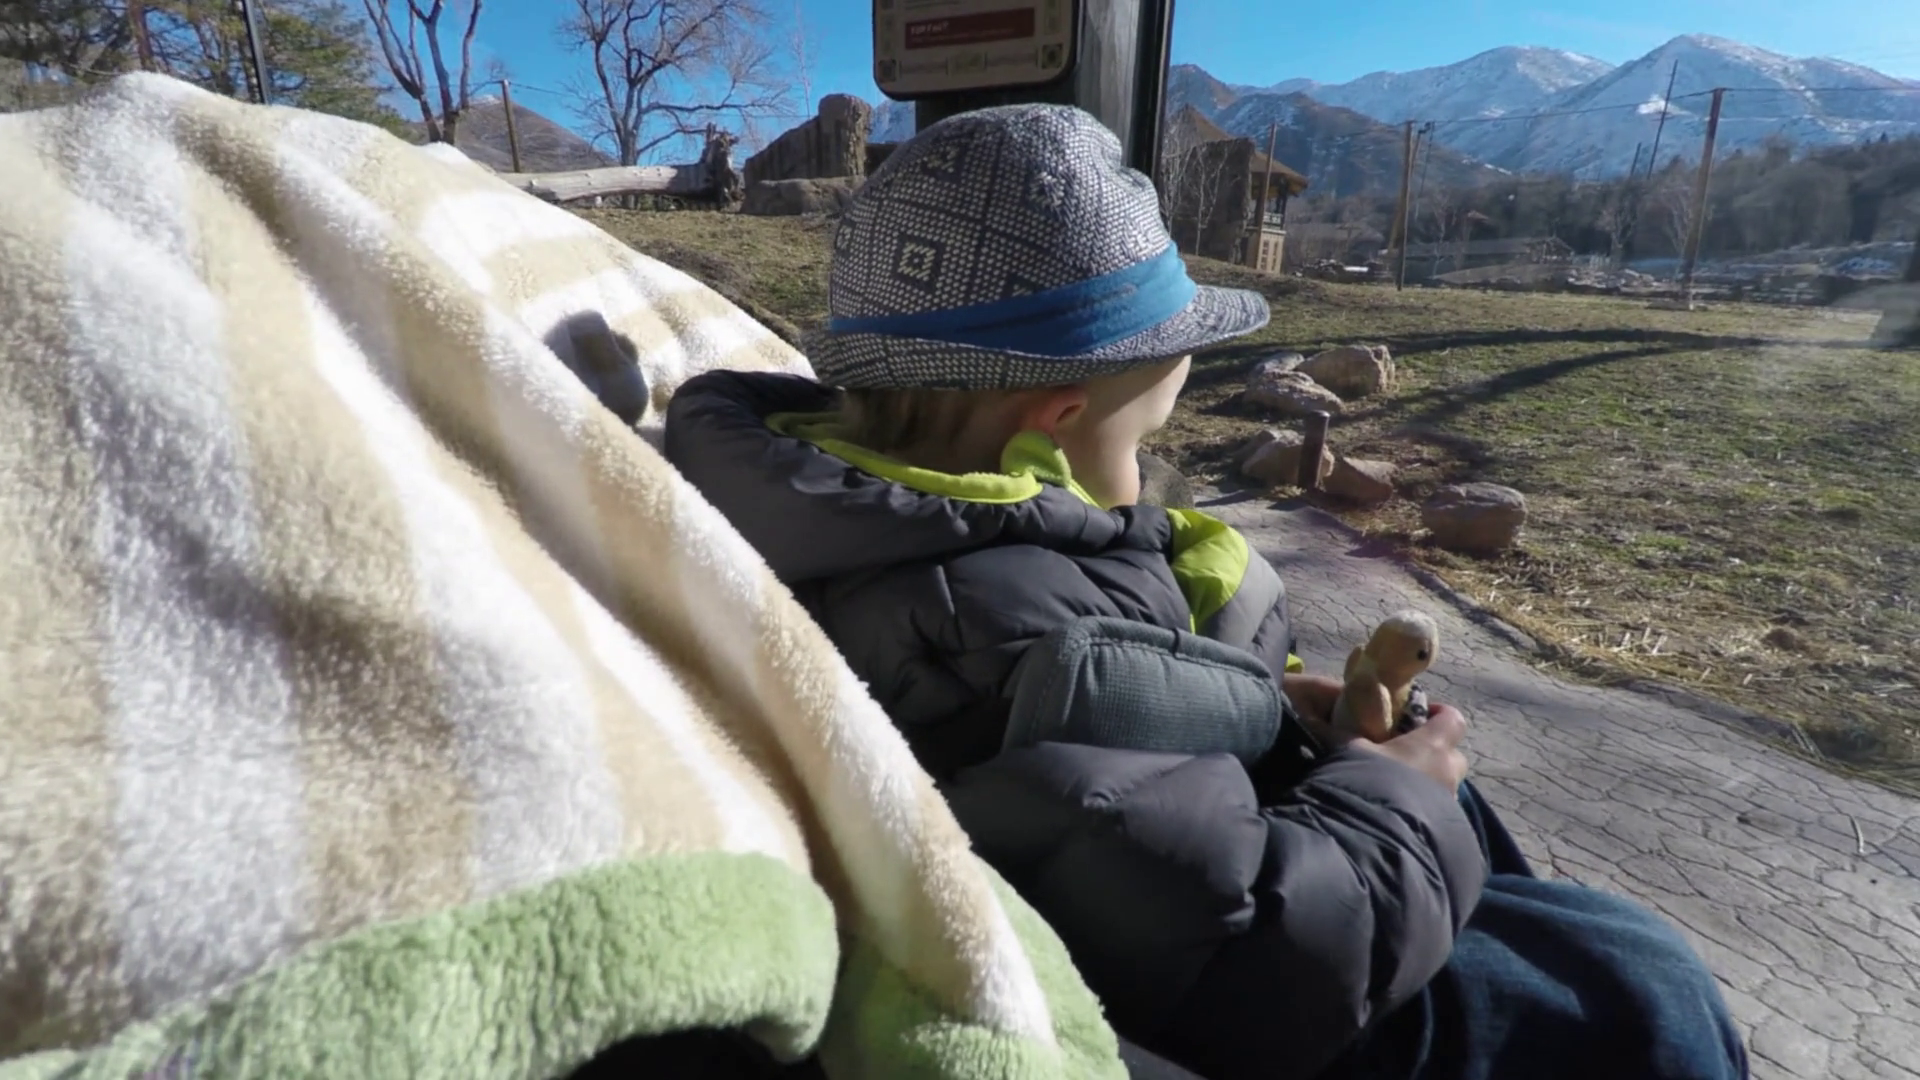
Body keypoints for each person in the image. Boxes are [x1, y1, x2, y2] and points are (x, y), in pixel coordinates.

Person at [665, 103, 1747, 1080]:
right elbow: (1263, 958)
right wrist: (1397, 799)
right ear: (1057, 417)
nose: (1151, 465)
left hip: (1222, 882)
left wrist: (1262, 709)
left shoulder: (847, 506)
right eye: (1147, 434)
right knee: (1643, 990)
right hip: (1256, 988)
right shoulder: (1005, 640)